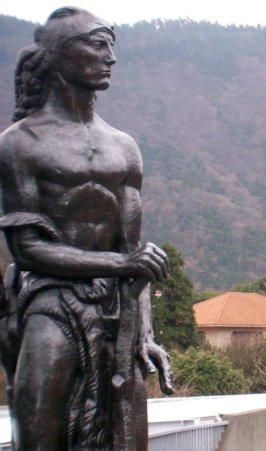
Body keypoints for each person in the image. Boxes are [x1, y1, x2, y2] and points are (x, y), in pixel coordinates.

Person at [0, 7, 172, 450]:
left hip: (117, 307)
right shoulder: (20, 143)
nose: (110, 57)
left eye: (112, 46)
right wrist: (122, 263)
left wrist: (145, 333)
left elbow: (137, 257)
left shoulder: (124, 148)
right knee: (37, 428)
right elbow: (27, 249)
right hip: (49, 299)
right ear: (60, 55)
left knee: (126, 438)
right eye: (97, 45)